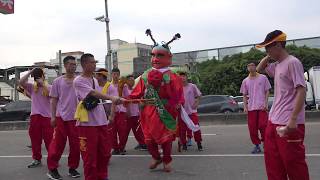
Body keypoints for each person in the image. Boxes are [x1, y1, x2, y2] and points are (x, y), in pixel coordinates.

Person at [256, 30, 309, 180]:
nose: (267, 51)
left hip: (288, 123)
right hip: (273, 121)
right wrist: (269, 54)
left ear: (278, 45)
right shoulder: (278, 65)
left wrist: (293, 119)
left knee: (294, 166)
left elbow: (301, 90)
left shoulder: (293, 62)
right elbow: (260, 69)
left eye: (268, 47)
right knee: (273, 166)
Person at [128, 29, 184, 172]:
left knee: (166, 139)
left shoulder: (173, 76)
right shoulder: (145, 75)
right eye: (153, 55)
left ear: (169, 57)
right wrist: (128, 99)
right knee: (148, 139)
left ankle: (166, 160)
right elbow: (136, 93)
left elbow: (178, 96)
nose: (155, 58)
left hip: (165, 111)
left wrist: (174, 106)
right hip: (148, 112)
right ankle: (156, 157)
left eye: (160, 55)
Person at [73, 53, 122, 180]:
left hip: (101, 122)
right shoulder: (78, 80)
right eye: (92, 62)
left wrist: (114, 103)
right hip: (87, 124)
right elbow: (93, 94)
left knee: (104, 154)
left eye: (95, 62)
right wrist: (112, 97)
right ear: (84, 64)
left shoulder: (95, 79)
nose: (95, 64)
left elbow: (101, 99)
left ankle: (102, 176)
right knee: (89, 157)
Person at [46, 56, 81, 180]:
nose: (73, 66)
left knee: (76, 145)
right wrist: (53, 117)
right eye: (71, 64)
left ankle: (72, 168)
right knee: (58, 145)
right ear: (65, 65)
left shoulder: (79, 80)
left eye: (74, 64)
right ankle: (52, 169)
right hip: (61, 117)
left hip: (76, 118)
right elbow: (53, 100)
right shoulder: (58, 81)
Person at [19, 67, 53, 168]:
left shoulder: (49, 87)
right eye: (35, 77)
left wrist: (42, 83)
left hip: (47, 117)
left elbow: (53, 95)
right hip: (35, 116)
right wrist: (31, 71)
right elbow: (21, 82)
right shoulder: (32, 87)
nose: (36, 79)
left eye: (38, 76)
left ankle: (52, 160)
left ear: (43, 77)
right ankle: (37, 159)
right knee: (35, 140)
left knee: (49, 140)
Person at [240, 62, 271, 154]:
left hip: (262, 107)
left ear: (255, 66)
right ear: (247, 68)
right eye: (248, 66)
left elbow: (267, 91)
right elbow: (244, 95)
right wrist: (245, 107)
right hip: (251, 108)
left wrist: (266, 104)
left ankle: (266, 143)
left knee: (263, 126)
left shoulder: (263, 78)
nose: (250, 67)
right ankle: (257, 145)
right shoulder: (245, 81)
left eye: (252, 65)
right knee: (252, 128)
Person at [107, 68, 130, 155]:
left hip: (122, 112)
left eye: (117, 74)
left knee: (123, 131)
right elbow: (107, 99)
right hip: (113, 112)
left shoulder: (123, 85)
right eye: (114, 74)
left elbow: (127, 98)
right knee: (112, 132)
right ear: (111, 75)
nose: (115, 76)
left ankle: (121, 148)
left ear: (119, 75)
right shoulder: (109, 86)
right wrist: (109, 113)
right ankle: (115, 148)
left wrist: (128, 110)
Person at [177, 71, 203, 151]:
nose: (182, 78)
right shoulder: (177, 88)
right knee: (182, 129)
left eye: (183, 76)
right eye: (180, 76)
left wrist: (197, 103)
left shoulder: (192, 86)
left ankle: (199, 143)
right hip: (182, 112)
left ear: (187, 77)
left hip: (192, 111)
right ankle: (184, 144)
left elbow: (199, 95)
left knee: (196, 127)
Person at [125, 74, 147, 151]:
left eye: (133, 80)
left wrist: (140, 110)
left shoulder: (136, 90)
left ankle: (142, 144)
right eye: (130, 80)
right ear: (126, 81)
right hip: (128, 115)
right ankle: (121, 147)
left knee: (138, 131)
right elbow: (125, 101)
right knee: (125, 132)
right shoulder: (125, 89)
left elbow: (139, 102)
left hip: (136, 114)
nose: (132, 81)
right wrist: (127, 111)